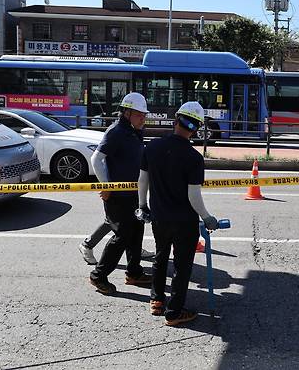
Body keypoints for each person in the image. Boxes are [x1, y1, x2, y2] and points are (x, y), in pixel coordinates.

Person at [138, 101, 219, 327]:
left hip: (159, 217)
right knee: (183, 265)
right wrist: (207, 217)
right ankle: (174, 312)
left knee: (160, 257)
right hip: (184, 221)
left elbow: (142, 180)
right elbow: (193, 195)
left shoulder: (152, 147)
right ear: (196, 128)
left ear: (176, 121)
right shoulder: (193, 158)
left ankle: (156, 299)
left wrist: (142, 205)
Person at [88, 92, 152, 295]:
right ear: (127, 112)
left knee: (136, 232)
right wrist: (106, 186)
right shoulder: (116, 131)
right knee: (122, 236)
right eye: (140, 114)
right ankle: (98, 276)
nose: (144, 118)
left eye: (144, 115)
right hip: (118, 196)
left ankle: (134, 273)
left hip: (133, 193)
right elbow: (96, 159)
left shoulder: (134, 130)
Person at [78, 224, 154, 265]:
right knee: (113, 221)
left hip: (130, 196)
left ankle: (135, 249)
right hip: (116, 197)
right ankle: (87, 245)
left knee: (134, 219)